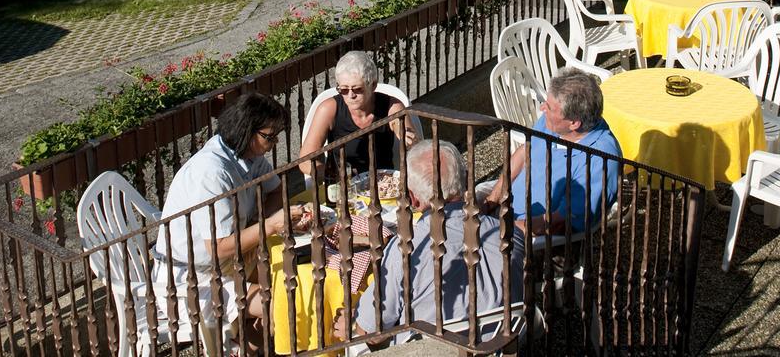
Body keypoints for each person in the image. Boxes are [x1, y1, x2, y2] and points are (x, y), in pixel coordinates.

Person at [334, 140, 521, 346]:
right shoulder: (509, 234)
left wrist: (354, 324)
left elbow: (372, 333)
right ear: (465, 179)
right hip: (500, 348)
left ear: (413, 200)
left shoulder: (406, 249)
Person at [154, 92, 304, 341]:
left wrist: (259, 223)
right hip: (192, 278)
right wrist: (269, 225)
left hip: (230, 263)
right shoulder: (212, 173)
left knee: (292, 278)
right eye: (270, 136)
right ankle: (256, 340)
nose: (275, 142)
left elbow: (276, 190)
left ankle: (251, 342)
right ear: (248, 131)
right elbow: (219, 247)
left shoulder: (249, 155)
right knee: (284, 303)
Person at [483, 67, 621, 236]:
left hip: (531, 235)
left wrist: (497, 229)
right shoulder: (554, 123)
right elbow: (526, 150)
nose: (542, 108)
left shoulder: (601, 161)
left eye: (549, 107)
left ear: (574, 123)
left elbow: (556, 224)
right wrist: (492, 200)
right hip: (505, 210)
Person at [299, 52, 418, 179]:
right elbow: (305, 161)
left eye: (357, 89)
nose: (351, 96)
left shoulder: (391, 106)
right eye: (344, 90)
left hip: (382, 182)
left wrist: (408, 138)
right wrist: (334, 174)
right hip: (344, 185)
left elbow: (415, 148)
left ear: (373, 85)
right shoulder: (329, 109)